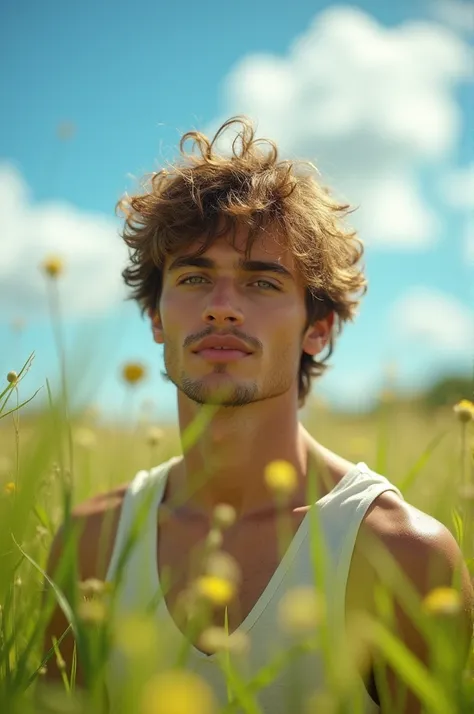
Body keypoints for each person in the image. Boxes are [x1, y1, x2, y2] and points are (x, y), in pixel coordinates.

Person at [43, 117, 473, 713]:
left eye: (262, 284)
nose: (221, 308)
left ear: (316, 330)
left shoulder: (402, 554)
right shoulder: (90, 543)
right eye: (194, 278)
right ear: (157, 319)